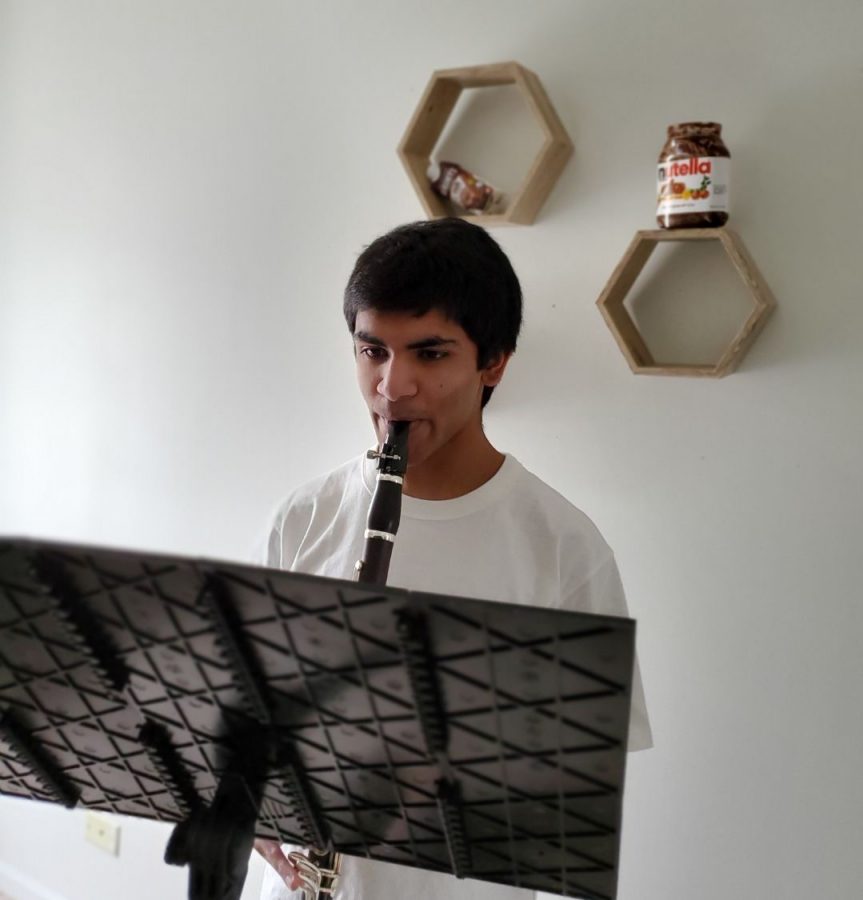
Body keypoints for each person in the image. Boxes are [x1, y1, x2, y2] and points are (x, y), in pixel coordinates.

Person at [257, 218, 652, 900]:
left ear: (492, 360)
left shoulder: (562, 548)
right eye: (371, 350)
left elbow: (575, 785)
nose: (391, 386)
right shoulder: (305, 515)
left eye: (430, 354)